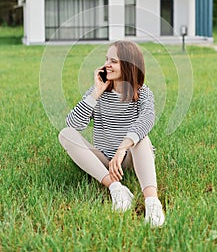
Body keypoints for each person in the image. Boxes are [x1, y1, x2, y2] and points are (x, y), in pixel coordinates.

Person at [58, 41, 165, 227]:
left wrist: (123, 148)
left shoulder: (143, 93)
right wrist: (96, 93)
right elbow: (74, 123)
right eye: (106, 59)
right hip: (105, 160)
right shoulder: (97, 92)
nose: (107, 64)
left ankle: (152, 202)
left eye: (113, 61)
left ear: (128, 64)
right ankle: (116, 188)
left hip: (130, 158)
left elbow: (146, 120)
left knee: (141, 138)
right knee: (66, 134)